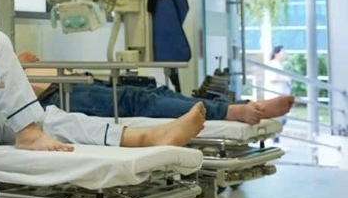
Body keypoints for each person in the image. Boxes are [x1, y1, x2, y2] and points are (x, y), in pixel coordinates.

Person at [0, 31, 206, 151]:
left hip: (25, 107)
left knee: (144, 93)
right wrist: (16, 64)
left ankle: (147, 136)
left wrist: (13, 65)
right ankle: (224, 112)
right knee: (135, 99)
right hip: (52, 95)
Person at [19, 54, 294, 125]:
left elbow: (28, 58)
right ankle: (233, 112)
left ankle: (237, 107)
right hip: (56, 98)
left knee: (154, 91)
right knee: (136, 100)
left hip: (72, 82)